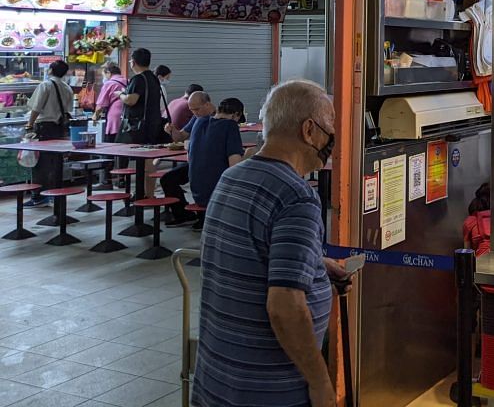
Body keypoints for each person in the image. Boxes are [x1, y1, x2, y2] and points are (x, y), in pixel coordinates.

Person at [193, 79, 348, 407]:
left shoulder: (232, 178)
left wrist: (313, 264)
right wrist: (321, 382)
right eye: (331, 124)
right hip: (269, 390)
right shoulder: (296, 197)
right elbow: (285, 307)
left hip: (219, 380)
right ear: (309, 130)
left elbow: (248, 257)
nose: (334, 134)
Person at [160, 91, 215, 226]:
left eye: (197, 109)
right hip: (194, 163)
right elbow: (180, 137)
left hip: (212, 164)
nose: (194, 112)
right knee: (167, 179)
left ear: (207, 104)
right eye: (191, 110)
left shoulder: (219, 119)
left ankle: (205, 216)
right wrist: (172, 130)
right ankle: (183, 214)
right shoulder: (196, 118)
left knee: (203, 182)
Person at [24, 60, 74, 206]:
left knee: (40, 163)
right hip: (59, 128)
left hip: (44, 127)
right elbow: (68, 109)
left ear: (51, 70)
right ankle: (54, 193)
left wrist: (29, 125)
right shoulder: (67, 88)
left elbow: (36, 108)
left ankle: (38, 197)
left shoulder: (45, 85)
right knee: (56, 161)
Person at [118, 48, 167, 145]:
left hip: (137, 126)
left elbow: (130, 100)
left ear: (133, 62)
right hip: (154, 124)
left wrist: (120, 94)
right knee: (148, 151)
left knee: (127, 151)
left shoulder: (138, 79)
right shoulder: (154, 78)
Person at [94, 62, 128, 143]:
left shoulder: (109, 84)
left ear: (108, 73)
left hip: (114, 119)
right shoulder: (128, 81)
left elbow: (100, 105)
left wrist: (95, 116)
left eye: (104, 75)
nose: (104, 78)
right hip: (127, 118)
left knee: (112, 144)